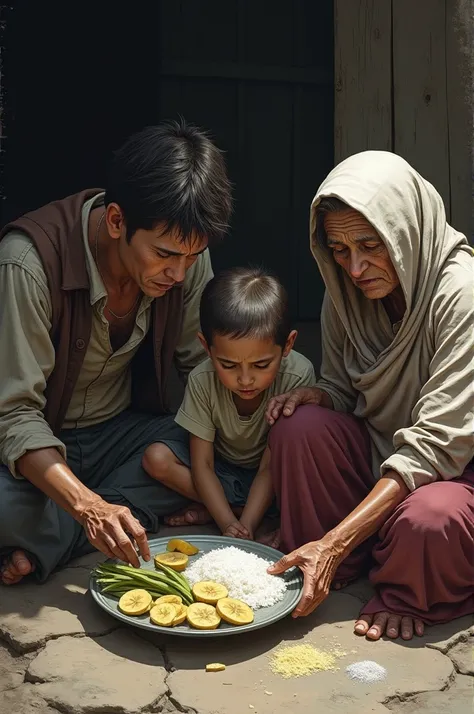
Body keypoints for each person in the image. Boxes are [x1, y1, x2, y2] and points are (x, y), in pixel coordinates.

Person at [0, 119, 232, 585]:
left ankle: (53, 535)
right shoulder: (26, 262)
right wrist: (88, 507)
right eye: (165, 256)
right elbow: (14, 415)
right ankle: (109, 518)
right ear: (116, 221)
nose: (180, 274)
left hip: (125, 434)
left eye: (191, 258)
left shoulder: (185, 248)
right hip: (39, 451)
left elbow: (203, 372)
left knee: (215, 447)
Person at [263, 151, 474, 642]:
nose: (355, 267)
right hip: (383, 455)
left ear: (405, 231)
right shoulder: (346, 289)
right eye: (338, 248)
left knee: (430, 519)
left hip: (453, 473)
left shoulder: (462, 293)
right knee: (299, 426)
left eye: (370, 244)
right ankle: (340, 560)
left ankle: (403, 586)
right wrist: (319, 393)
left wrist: (333, 541)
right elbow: (343, 387)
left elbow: (437, 447)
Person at [143, 267, 316, 539]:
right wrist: (228, 525)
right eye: (228, 364)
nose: (245, 379)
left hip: (273, 475)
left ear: (287, 345)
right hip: (222, 471)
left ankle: (234, 509)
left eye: (261, 365)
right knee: (156, 459)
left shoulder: (297, 375)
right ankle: (231, 508)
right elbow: (203, 466)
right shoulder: (202, 379)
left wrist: (244, 527)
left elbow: (270, 468)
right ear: (206, 346)